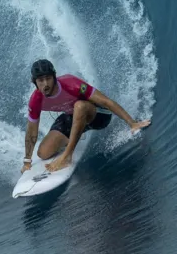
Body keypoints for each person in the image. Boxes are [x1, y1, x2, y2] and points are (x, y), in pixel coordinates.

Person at [21, 58, 150, 173]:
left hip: (98, 115)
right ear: (35, 82)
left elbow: (106, 102)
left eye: (48, 78)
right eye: (40, 80)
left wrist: (132, 123)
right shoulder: (35, 100)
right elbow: (32, 130)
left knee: (80, 106)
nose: (45, 84)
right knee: (43, 153)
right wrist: (27, 161)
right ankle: (72, 137)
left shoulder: (71, 84)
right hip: (71, 116)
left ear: (54, 77)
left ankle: (67, 155)